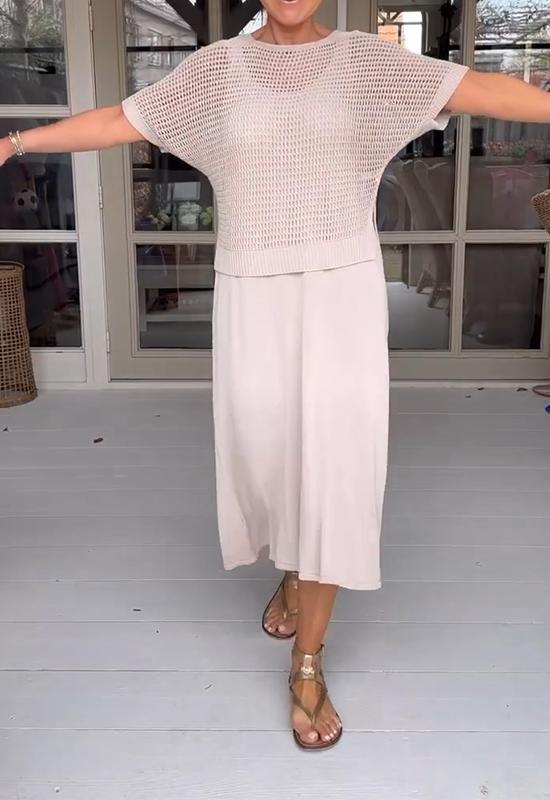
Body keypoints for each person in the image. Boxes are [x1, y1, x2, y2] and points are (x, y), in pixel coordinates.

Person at [2, 0, 550, 751]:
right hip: (253, 294)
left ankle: (308, 662)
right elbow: (122, 121)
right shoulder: (218, 71)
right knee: (267, 455)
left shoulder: (366, 63)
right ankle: (292, 567)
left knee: (335, 468)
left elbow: (479, 89)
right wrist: (16, 141)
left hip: (341, 293)